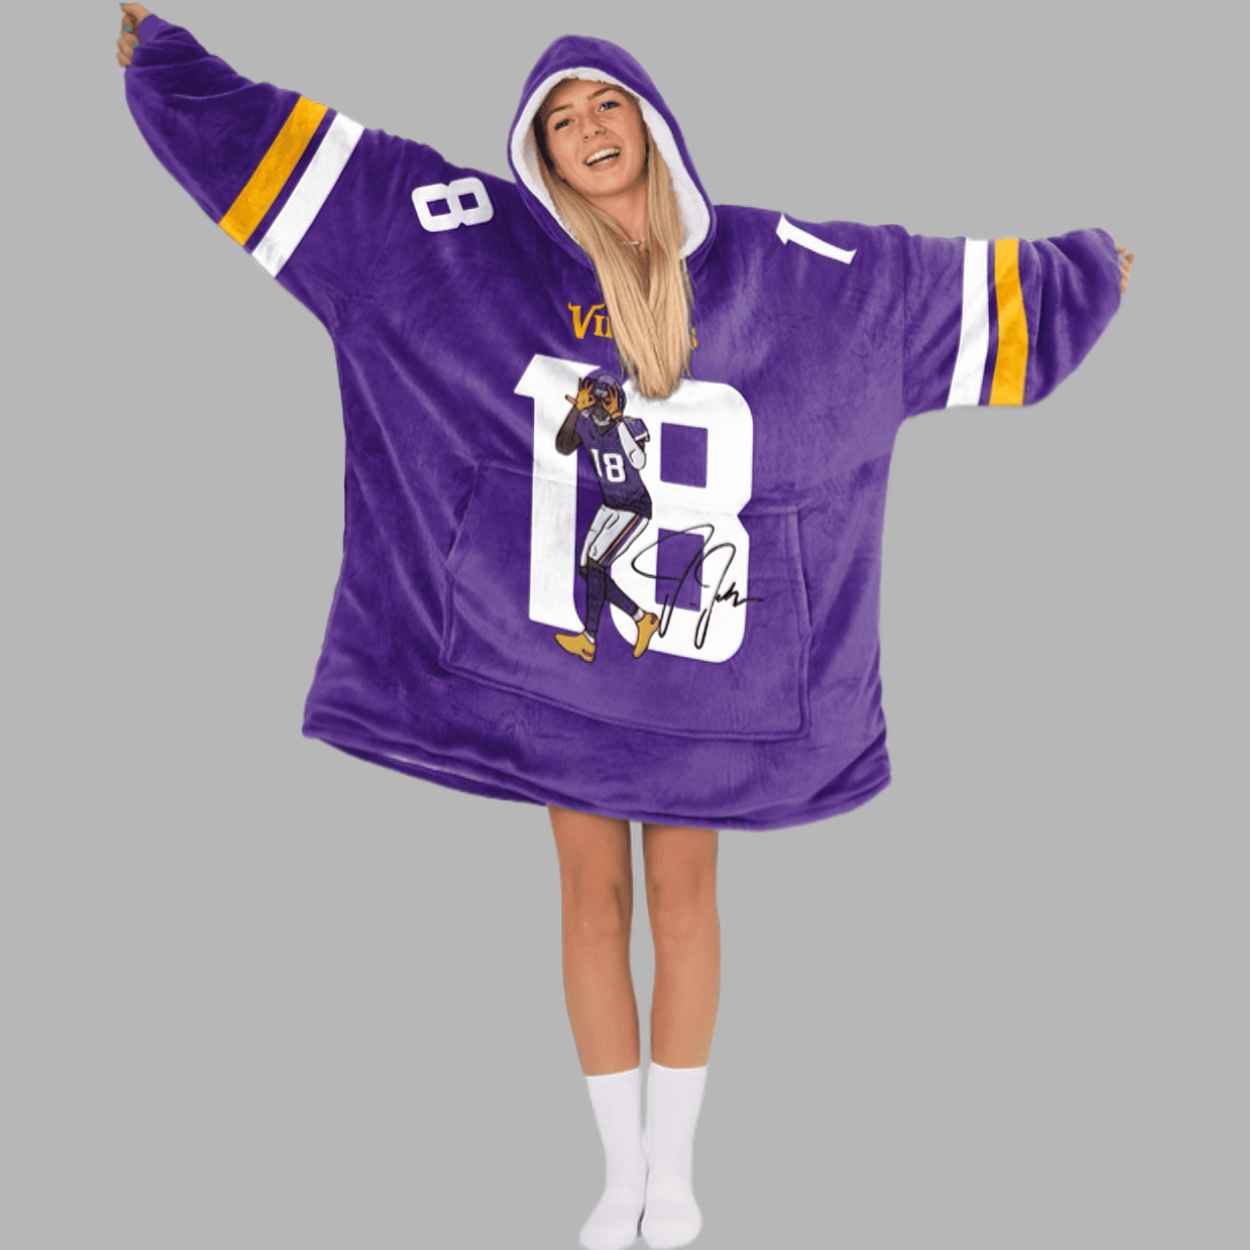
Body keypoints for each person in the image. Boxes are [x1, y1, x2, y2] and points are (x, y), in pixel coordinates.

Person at [114, 7, 1134, 1249]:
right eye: (560, 118)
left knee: (685, 896)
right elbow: (333, 186)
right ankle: (616, 1171)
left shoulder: (776, 270)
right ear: (537, 150)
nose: (588, 128)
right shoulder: (480, 251)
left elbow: (905, 294)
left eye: (606, 105)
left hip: (703, 669)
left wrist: (1084, 272)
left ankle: (676, 1168)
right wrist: (166, 60)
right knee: (589, 897)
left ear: (651, 126)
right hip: (563, 659)